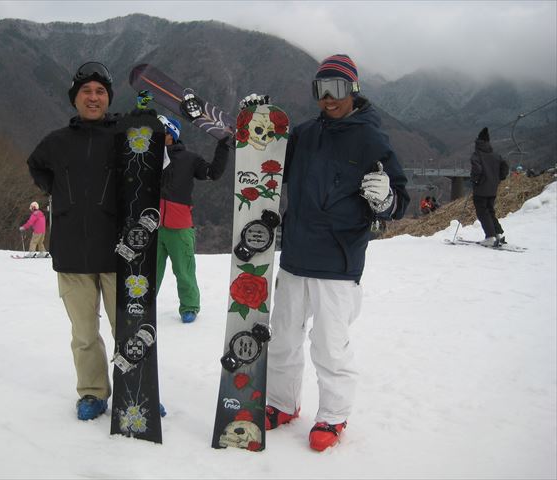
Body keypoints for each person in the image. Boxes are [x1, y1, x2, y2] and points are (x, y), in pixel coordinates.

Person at [262, 54, 409, 452]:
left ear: (353, 90)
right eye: (321, 89)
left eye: (338, 88)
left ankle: (332, 414)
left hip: (338, 261)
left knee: (329, 345)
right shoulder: (305, 134)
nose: (329, 98)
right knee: (283, 337)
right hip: (296, 254)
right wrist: (254, 123)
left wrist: (386, 200)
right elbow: (267, 165)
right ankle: (282, 403)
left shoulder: (371, 139)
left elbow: (399, 201)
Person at [27, 61, 120, 421]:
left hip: (120, 252)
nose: (93, 97)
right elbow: (35, 164)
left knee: (130, 331)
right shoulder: (57, 142)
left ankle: (138, 387)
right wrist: (57, 191)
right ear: (74, 98)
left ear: (108, 98)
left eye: (100, 91)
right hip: (71, 251)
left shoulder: (125, 137)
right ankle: (92, 391)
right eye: (86, 91)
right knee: (84, 332)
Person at [155, 115, 230, 323]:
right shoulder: (148, 157)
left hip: (179, 226)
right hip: (152, 225)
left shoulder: (189, 159)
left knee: (184, 271)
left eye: (161, 132)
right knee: (149, 272)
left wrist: (223, 146)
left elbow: (213, 173)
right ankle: (143, 306)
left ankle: (189, 306)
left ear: (171, 135)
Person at [470, 127, 509, 246]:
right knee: (490, 211)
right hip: (493, 188)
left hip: (481, 189)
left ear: (478, 142)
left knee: (482, 212)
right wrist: (499, 178)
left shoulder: (477, 155)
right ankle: (498, 234)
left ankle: (490, 237)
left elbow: (477, 170)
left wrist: (475, 180)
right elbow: (505, 166)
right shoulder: (496, 155)